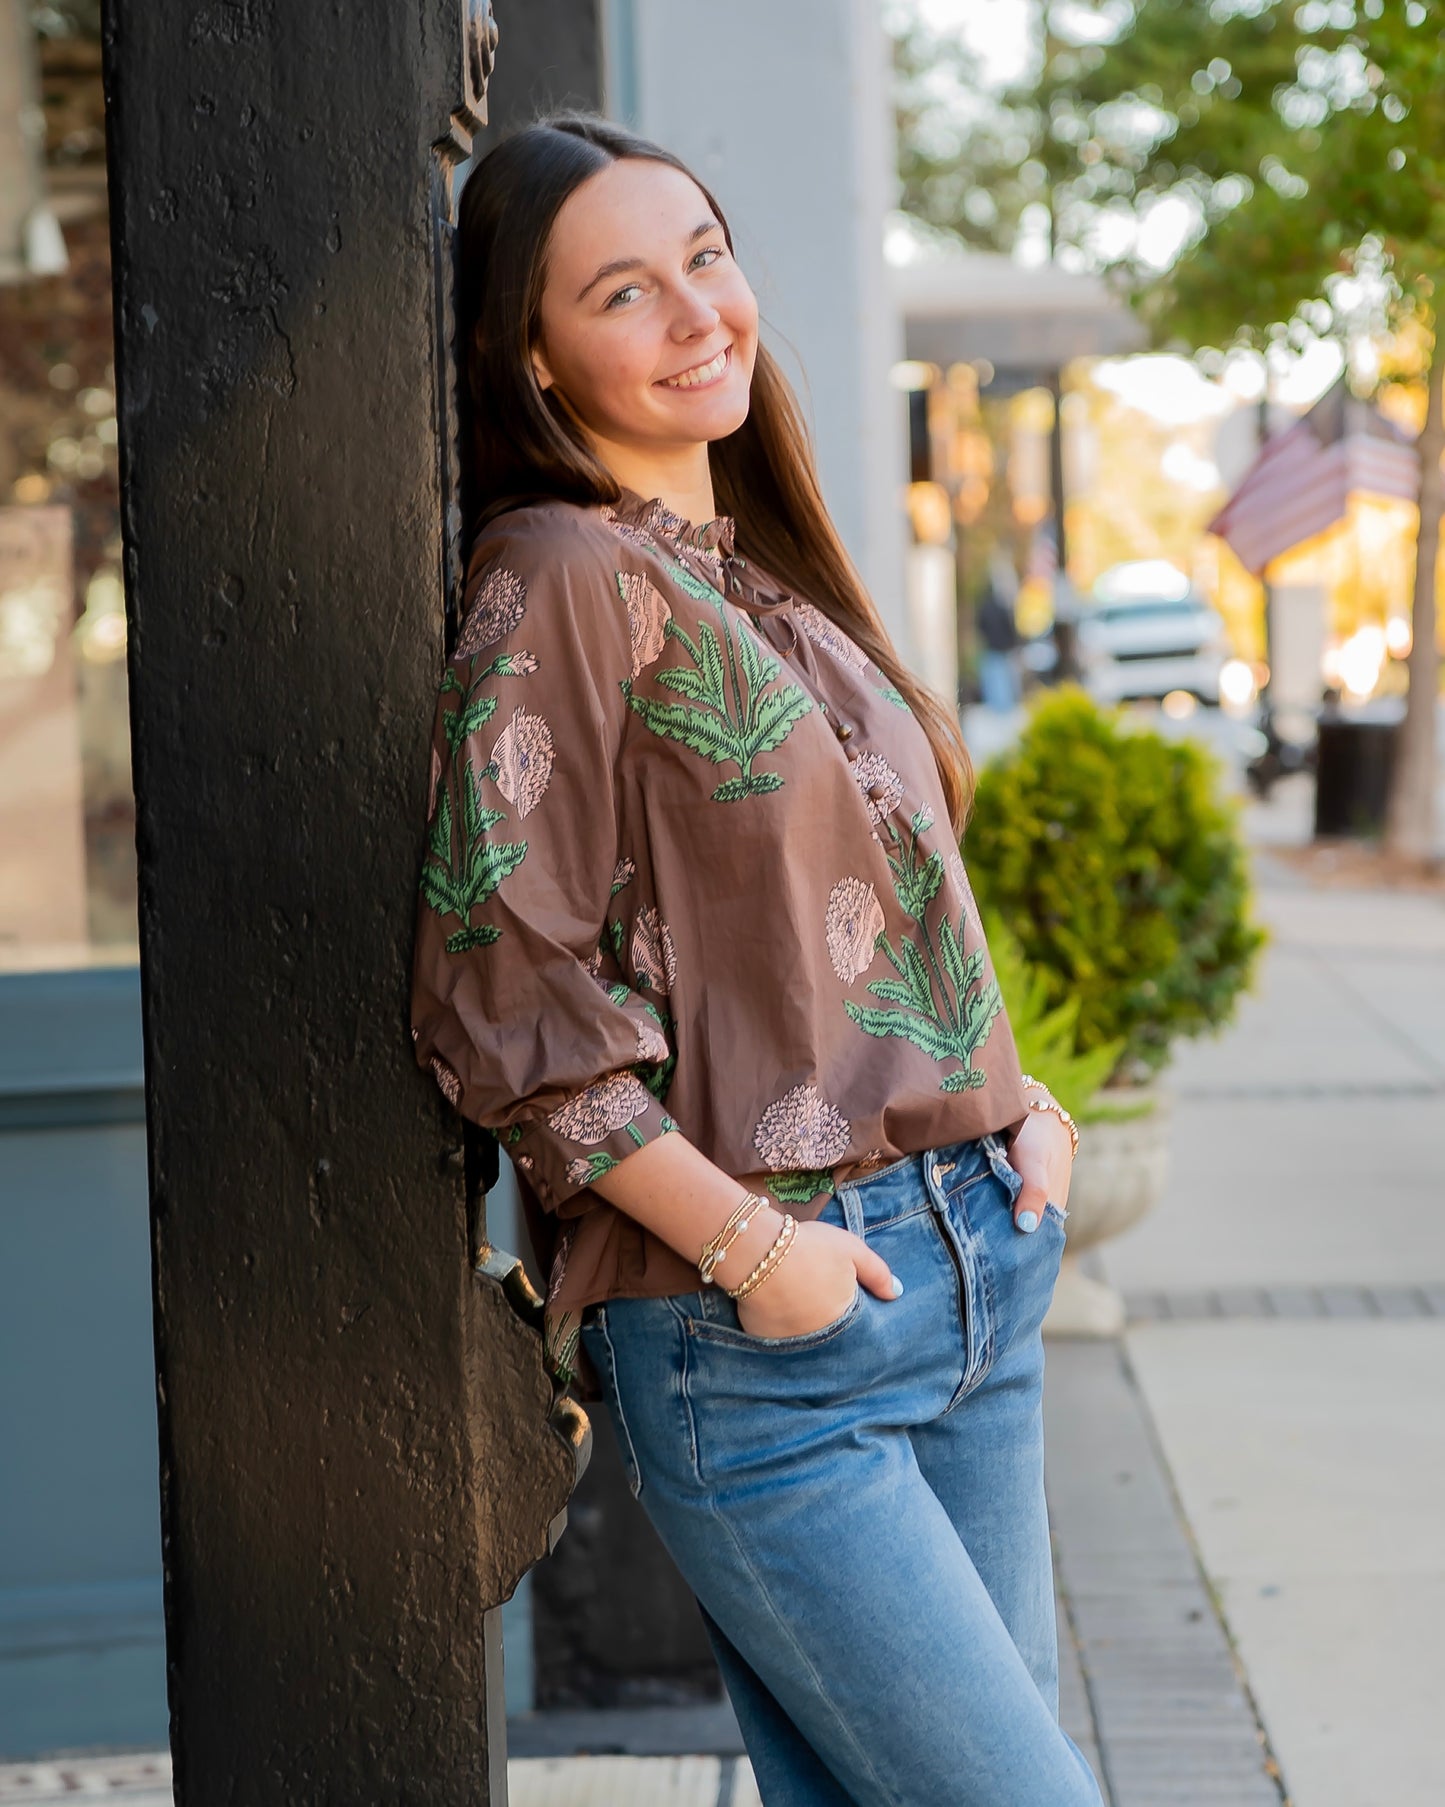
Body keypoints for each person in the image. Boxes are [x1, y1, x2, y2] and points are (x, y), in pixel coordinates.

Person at [409, 110, 1103, 1807]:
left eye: (706, 258)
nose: (699, 313)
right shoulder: (555, 576)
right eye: (626, 292)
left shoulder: (771, 576)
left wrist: (1023, 1102)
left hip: (972, 1276)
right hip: (771, 1333)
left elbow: (891, 871)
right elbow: (499, 999)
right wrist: (751, 1252)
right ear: (535, 357)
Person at [975, 554, 1022, 712]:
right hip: (998, 652)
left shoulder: (989, 606)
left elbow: (980, 626)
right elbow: (1011, 630)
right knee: (1001, 691)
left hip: (994, 651)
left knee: (997, 690)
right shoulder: (1001, 607)